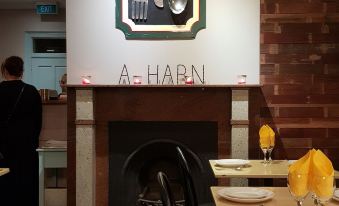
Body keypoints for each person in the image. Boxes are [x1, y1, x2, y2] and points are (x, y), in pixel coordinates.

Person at [0, 56, 42, 206]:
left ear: (4, 70)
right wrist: (33, 142)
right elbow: (38, 123)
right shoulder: (31, 91)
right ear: (22, 71)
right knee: (26, 185)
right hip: (26, 148)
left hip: (3, 149)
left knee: (4, 183)